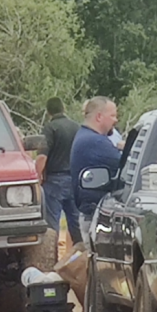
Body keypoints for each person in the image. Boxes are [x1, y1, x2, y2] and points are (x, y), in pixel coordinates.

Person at [70, 96, 122, 244]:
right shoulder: (96, 142)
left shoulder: (85, 137)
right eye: (112, 115)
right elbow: (125, 167)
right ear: (99, 117)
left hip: (88, 213)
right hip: (95, 217)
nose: (115, 120)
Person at [36, 97, 83, 247]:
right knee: (76, 222)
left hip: (54, 181)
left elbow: (42, 156)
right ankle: (81, 258)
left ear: (48, 112)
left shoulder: (50, 128)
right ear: (64, 108)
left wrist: (37, 178)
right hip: (74, 180)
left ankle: (52, 258)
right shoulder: (76, 127)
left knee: (52, 223)